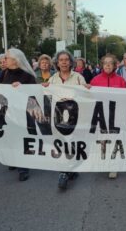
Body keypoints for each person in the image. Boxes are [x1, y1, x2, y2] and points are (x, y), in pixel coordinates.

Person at [45, 50, 86, 190]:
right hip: (58, 118)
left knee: (72, 143)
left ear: (70, 62)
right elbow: (46, 96)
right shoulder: (52, 79)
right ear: (57, 63)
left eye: (66, 59)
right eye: (61, 60)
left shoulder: (79, 78)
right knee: (62, 143)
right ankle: (64, 171)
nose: (63, 62)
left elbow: (85, 96)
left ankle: (70, 169)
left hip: (75, 117)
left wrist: (87, 89)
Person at [0, 48, 37, 182]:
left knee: (20, 140)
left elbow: (34, 98)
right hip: (7, 113)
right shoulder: (3, 74)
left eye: (7, 58)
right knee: (10, 139)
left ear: (15, 59)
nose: (4, 60)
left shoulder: (27, 76)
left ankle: (23, 168)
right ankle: (13, 160)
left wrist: (22, 88)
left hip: (22, 114)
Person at [90, 54, 126, 179]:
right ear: (102, 65)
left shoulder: (121, 81)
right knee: (103, 141)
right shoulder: (95, 80)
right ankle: (104, 162)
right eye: (105, 63)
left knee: (115, 141)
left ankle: (113, 166)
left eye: (110, 63)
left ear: (115, 65)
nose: (107, 65)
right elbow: (89, 98)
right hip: (101, 116)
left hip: (116, 116)